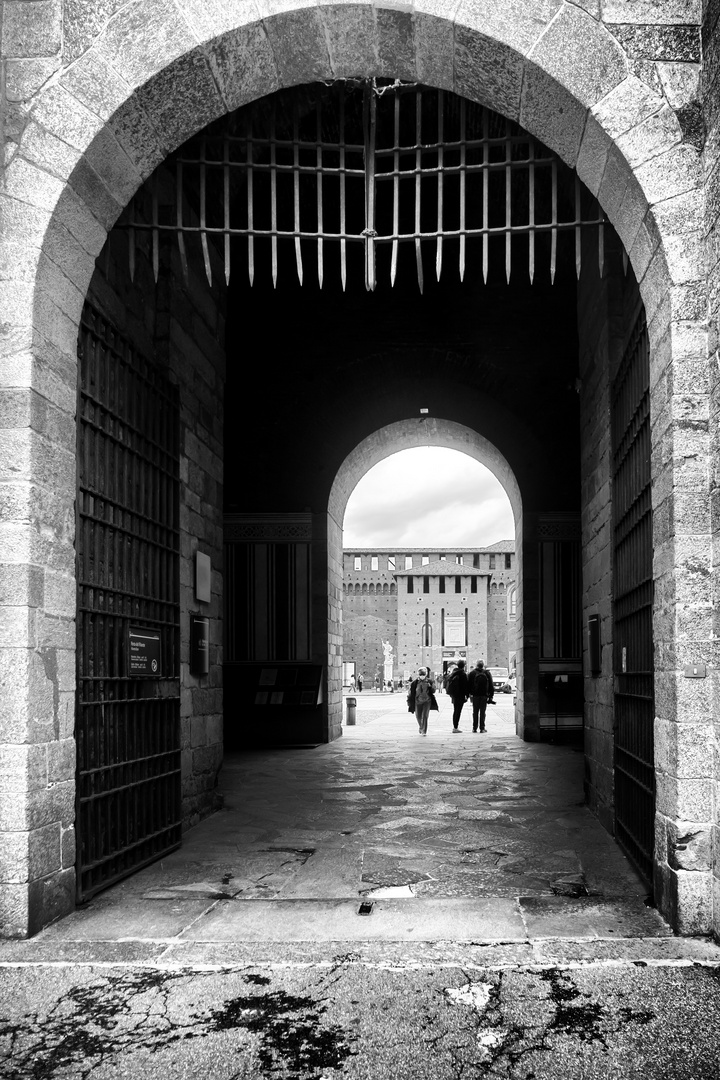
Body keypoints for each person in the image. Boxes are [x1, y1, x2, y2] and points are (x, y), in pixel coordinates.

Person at [407, 667, 436, 736]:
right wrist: (409, 700)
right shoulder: (415, 682)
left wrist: (430, 687)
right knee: (418, 716)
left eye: (423, 674)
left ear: (425, 675)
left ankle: (424, 731)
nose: (422, 676)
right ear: (419, 675)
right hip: (418, 701)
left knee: (425, 716)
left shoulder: (429, 681)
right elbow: (410, 692)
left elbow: (434, 690)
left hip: (427, 701)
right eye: (421, 674)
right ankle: (421, 726)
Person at [468, 659, 493, 733]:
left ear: (476, 665)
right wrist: (491, 695)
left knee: (475, 711)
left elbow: (469, 684)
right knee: (482, 711)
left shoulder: (472, 673)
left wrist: (469, 694)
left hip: (475, 695)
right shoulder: (487, 673)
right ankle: (482, 728)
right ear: (483, 665)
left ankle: (474, 728)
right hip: (484, 695)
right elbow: (491, 685)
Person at [446, 659, 469, 732]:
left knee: (455, 710)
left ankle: (455, 726)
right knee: (458, 711)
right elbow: (465, 686)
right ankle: (455, 727)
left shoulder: (453, 673)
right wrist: (467, 695)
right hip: (460, 695)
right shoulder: (463, 674)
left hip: (454, 695)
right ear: (464, 666)